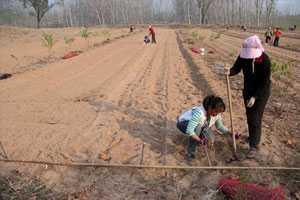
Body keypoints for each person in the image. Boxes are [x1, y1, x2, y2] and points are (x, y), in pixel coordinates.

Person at [225, 35, 271, 159]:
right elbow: (236, 68)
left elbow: (265, 82)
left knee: (256, 117)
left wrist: (255, 97)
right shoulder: (243, 57)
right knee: (250, 115)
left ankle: (254, 146)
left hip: (262, 92)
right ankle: (252, 136)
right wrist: (230, 72)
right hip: (248, 90)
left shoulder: (265, 60)